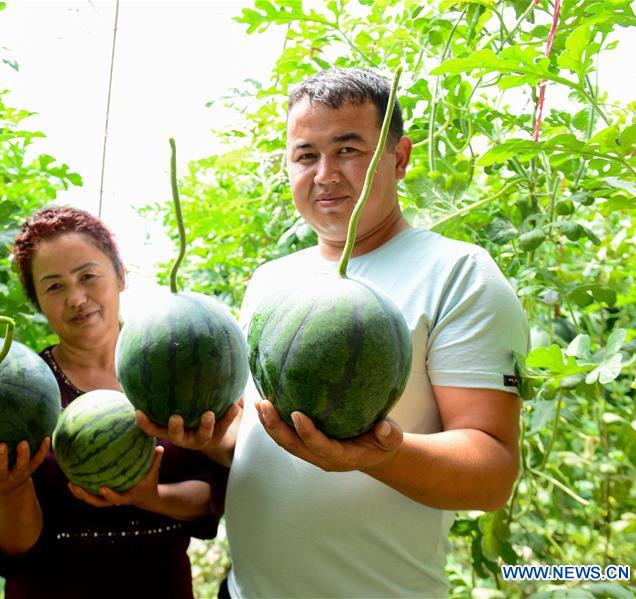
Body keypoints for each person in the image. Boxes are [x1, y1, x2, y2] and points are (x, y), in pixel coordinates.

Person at [138, 67, 529, 598]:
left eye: (349, 150)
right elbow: (267, 439)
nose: (325, 174)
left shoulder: (459, 274)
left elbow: (493, 472)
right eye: (305, 155)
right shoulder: (271, 280)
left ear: (400, 156)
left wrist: (383, 455)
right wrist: (212, 438)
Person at [0, 206, 227, 598]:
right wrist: (11, 488)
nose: (76, 298)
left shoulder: (174, 367)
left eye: (88, 276)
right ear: (37, 301)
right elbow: (14, 548)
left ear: (121, 275)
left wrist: (150, 496)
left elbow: (211, 497)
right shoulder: (17, 389)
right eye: (54, 286)